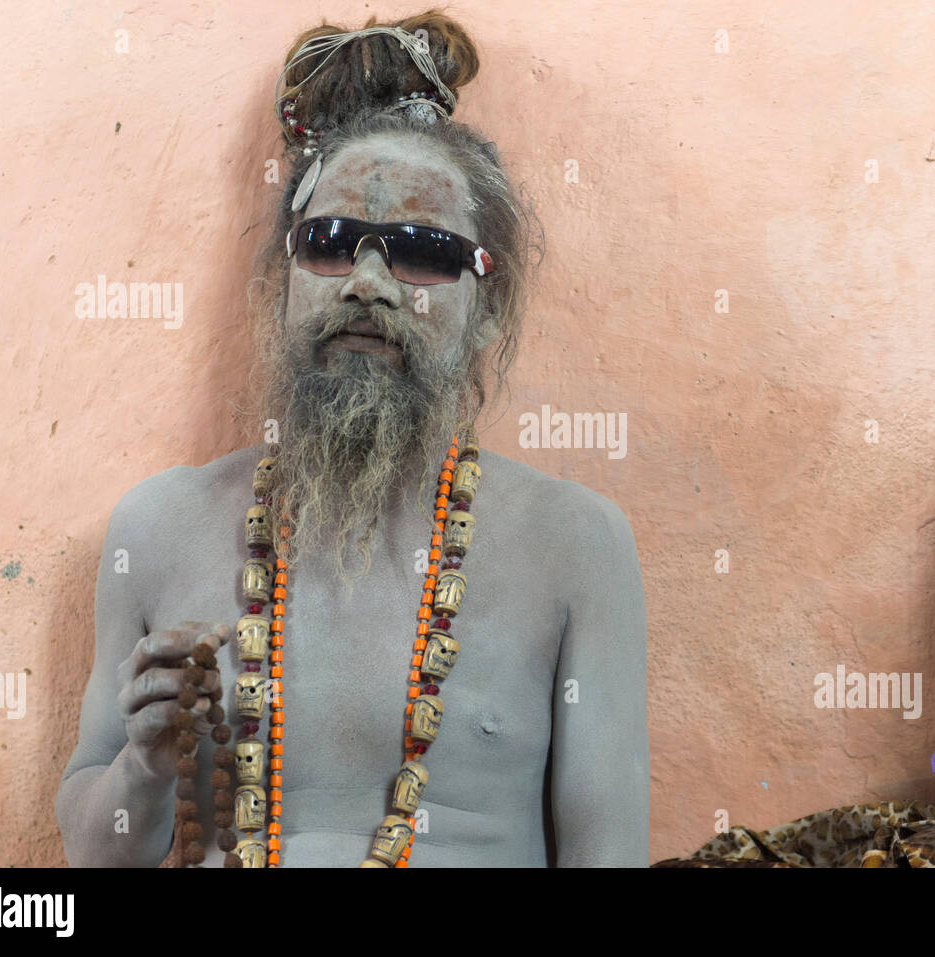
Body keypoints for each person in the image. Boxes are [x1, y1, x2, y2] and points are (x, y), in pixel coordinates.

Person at [55, 10, 648, 867]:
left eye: (422, 251)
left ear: (489, 306)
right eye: (329, 243)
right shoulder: (156, 527)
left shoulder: (576, 545)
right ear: (281, 280)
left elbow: (611, 856)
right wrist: (145, 767)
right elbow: (93, 858)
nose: (368, 284)